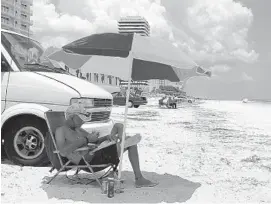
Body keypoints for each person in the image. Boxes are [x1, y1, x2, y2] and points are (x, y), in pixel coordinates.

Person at [55, 103, 158, 188]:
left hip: (96, 154)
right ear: (72, 117)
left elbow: (93, 141)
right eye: (80, 119)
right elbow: (63, 152)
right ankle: (139, 179)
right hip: (88, 161)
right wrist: (85, 139)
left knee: (119, 126)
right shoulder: (61, 131)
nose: (82, 122)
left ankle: (121, 142)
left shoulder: (78, 129)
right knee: (129, 141)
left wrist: (105, 138)